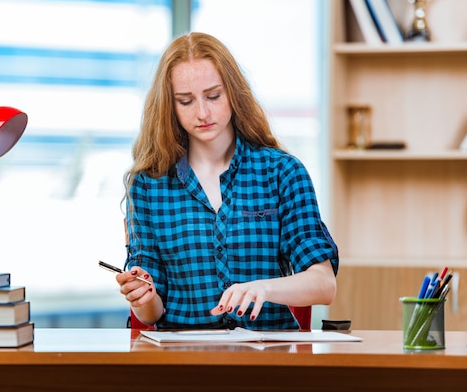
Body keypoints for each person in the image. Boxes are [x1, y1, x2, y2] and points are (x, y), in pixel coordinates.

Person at [116, 32, 338, 330]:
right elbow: (151, 314)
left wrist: (264, 288)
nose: (202, 113)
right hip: (184, 364)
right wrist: (142, 297)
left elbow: (324, 284)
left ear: (233, 93)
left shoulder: (282, 173)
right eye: (185, 101)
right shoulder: (148, 185)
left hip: (268, 362)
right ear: (170, 107)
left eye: (213, 96)